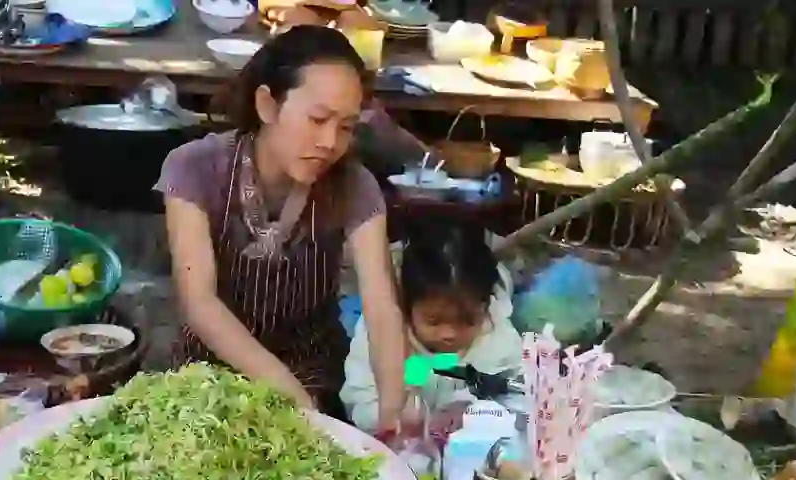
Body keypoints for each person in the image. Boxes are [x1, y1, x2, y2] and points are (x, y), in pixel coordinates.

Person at [155, 25, 406, 428]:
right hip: (207, 375)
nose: (329, 142)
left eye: (345, 127)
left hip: (313, 371)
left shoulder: (355, 186)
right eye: (318, 119)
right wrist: (291, 397)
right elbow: (199, 303)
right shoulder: (194, 169)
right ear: (267, 105)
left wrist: (393, 411)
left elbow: (380, 308)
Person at [340, 225, 522, 433]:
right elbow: (358, 400)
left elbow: (519, 397)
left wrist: (480, 416)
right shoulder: (381, 335)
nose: (449, 334)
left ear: (486, 307)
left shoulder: (497, 338)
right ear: (407, 305)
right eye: (434, 321)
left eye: (468, 321)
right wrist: (392, 417)